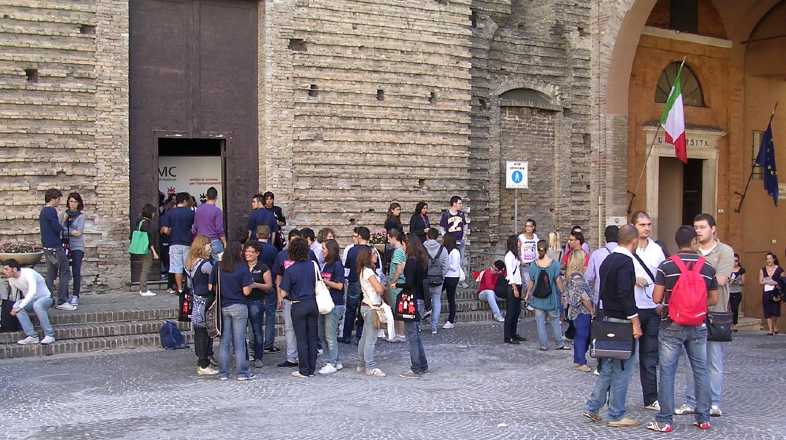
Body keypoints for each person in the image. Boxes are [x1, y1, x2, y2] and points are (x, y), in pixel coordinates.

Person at [647, 225, 718, 433]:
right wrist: (695, 305)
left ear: (675, 242)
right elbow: (713, 298)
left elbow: (656, 298)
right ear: (694, 242)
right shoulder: (707, 267)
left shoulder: (666, 266)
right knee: (701, 371)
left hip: (671, 325)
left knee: (667, 372)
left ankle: (665, 420)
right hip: (698, 325)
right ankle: (703, 418)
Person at [583, 224, 643, 428]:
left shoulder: (607, 259)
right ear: (634, 241)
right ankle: (616, 415)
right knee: (623, 368)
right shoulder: (626, 261)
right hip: (621, 322)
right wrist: (635, 321)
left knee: (606, 367)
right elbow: (625, 294)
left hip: (606, 317)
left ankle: (592, 407)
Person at [675, 213, 734, 417]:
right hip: (692, 311)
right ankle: (691, 401)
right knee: (692, 360)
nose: (698, 231)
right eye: (696, 227)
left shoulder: (725, 251)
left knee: (714, 360)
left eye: (702, 227)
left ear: (713, 229)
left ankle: (714, 402)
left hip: (715, 312)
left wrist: (692, 279)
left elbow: (721, 279)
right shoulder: (692, 252)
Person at [630, 210, 666, 411]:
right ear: (634, 226)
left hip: (652, 309)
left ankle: (650, 398)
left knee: (649, 356)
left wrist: (662, 302)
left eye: (649, 224)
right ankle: (617, 399)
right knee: (624, 357)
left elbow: (663, 277)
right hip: (631, 309)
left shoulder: (657, 250)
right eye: (642, 224)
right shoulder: (627, 249)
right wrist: (633, 280)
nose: (647, 228)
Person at [208, 241, 254, 381]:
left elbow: (211, 287)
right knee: (239, 342)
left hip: (223, 306)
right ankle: (242, 373)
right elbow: (246, 291)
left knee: (224, 341)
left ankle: (223, 373)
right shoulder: (242, 267)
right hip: (239, 305)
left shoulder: (218, 266)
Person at [278, 238, 319, 378]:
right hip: (313, 303)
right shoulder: (312, 266)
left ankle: (304, 370)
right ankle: (312, 368)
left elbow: (283, 293)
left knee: (301, 339)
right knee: (312, 337)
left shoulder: (290, 270)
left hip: (298, 304)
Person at [340, 226, 380, 344]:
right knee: (364, 309)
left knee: (350, 309)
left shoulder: (352, 250)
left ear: (360, 237)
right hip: (368, 283)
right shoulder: (372, 250)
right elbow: (377, 267)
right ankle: (360, 336)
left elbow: (346, 267)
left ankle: (347, 335)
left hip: (354, 282)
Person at [3, 259, 56, 345]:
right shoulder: (11, 279)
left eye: (6, 269)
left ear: (15, 269)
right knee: (17, 305)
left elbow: (32, 292)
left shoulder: (28, 273)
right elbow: (15, 295)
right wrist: (16, 307)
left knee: (37, 305)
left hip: (46, 298)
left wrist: (20, 307)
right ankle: (32, 336)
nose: (4, 271)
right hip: (30, 301)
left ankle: (50, 335)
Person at [272, 228, 303, 368]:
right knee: (290, 328)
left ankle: (304, 355)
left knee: (303, 328)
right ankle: (291, 357)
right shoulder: (282, 255)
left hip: (304, 298)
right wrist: (279, 295)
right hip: (288, 297)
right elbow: (278, 276)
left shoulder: (309, 255)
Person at [185, 236, 216, 375]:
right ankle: (204, 364)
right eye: (209, 245)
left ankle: (202, 361)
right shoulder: (205, 264)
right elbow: (215, 277)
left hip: (196, 301)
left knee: (199, 332)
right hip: (205, 301)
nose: (211, 247)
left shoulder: (191, 262)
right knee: (205, 333)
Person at [399, 234, 429, 378]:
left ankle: (416, 367)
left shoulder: (411, 262)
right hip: (420, 299)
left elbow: (409, 283)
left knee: (411, 335)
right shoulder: (421, 260)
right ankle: (422, 364)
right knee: (416, 335)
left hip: (412, 300)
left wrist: (397, 284)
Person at [39, 188, 74, 310]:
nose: (59, 202)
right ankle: (62, 301)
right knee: (65, 272)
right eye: (58, 199)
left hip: (47, 247)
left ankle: (47, 300)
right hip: (55, 247)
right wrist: (64, 222)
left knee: (51, 274)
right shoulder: (50, 211)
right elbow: (56, 228)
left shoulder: (43, 211)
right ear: (53, 199)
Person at [527, 239, 565, 351]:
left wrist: (528, 293)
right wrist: (563, 292)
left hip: (538, 299)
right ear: (548, 249)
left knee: (540, 323)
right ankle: (559, 343)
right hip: (551, 299)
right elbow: (558, 281)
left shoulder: (533, 265)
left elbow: (531, 281)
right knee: (555, 320)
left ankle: (543, 345)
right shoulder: (554, 264)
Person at [356, 246, 387, 377]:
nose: (376, 255)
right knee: (371, 339)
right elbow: (379, 289)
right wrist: (384, 286)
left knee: (364, 337)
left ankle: (361, 364)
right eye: (374, 253)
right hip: (372, 307)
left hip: (366, 306)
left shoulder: (364, 271)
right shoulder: (368, 271)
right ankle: (370, 366)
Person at [318, 239, 345, 374]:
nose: (322, 251)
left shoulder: (337, 265)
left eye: (324, 248)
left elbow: (340, 285)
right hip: (325, 303)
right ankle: (334, 360)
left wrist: (324, 282)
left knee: (330, 335)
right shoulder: (326, 265)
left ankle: (332, 362)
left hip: (334, 304)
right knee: (322, 334)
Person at [244, 243, 273, 368]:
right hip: (242, 301)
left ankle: (258, 357)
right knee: (241, 331)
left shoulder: (263, 267)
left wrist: (255, 285)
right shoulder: (241, 266)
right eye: (247, 251)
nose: (248, 254)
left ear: (257, 253)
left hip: (256, 301)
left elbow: (269, 286)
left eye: (251, 251)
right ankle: (245, 355)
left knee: (256, 330)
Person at [160, 192, 195, 295]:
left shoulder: (170, 212)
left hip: (174, 243)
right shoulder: (191, 213)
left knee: (177, 268)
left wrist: (171, 231)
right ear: (185, 201)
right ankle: (189, 288)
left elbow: (165, 230)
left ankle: (179, 289)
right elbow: (194, 228)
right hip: (188, 243)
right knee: (189, 267)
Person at [565, 250, 593, 372]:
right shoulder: (579, 279)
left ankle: (578, 359)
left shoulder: (571, 277)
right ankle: (581, 361)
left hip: (574, 311)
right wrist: (592, 310)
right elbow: (584, 298)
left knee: (579, 336)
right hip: (582, 311)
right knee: (583, 336)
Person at [586, 225, 619, 312]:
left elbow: (588, 277)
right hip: (620, 301)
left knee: (601, 324)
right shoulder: (626, 254)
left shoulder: (596, 254)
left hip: (601, 300)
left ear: (605, 238)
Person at [61, 192, 85, 308]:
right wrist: (70, 230)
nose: (72, 204)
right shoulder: (64, 214)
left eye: (75, 201)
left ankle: (75, 295)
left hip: (77, 247)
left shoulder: (81, 216)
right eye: (71, 201)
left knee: (76, 271)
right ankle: (64, 296)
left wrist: (67, 230)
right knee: (64, 271)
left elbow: (79, 232)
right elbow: (59, 229)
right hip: (65, 246)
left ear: (78, 203)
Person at [440, 196, 468, 286]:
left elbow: (465, 225)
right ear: (454, 204)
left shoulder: (461, 214)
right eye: (459, 203)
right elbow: (442, 228)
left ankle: (461, 280)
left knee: (461, 260)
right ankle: (447, 279)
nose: (461, 205)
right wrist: (445, 237)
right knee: (448, 260)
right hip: (449, 243)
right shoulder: (446, 215)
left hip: (460, 241)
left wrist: (464, 235)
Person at [134, 204, 160, 297]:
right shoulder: (147, 223)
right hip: (146, 249)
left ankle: (143, 288)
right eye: (153, 212)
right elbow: (149, 239)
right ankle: (143, 289)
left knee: (144, 269)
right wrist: (154, 252)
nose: (154, 214)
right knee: (146, 269)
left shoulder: (140, 221)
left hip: (141, 248)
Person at [193, 186, 226, 261]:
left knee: (202, 265)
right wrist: (224, 242)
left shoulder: (198, 209)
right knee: (219, 265)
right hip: (214, 241)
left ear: (206, 196)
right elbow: (219, 229)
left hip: (201, 242)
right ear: (216, 197)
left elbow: (195, 227)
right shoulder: (217, 211)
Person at [423, 227, 448, 324]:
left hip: (425, 279)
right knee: (437, 300)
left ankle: (419, 326)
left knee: (422, 300)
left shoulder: (422, 247)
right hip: (438, 279)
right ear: (437, 237)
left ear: (427, 236)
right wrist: (442, 275)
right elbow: (446, 265)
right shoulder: (443, 249)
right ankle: (434, 326)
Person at [503, 235, 525, 344]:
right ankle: (508, 336)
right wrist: (515, 288)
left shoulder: (515, 255)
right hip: (512, 285)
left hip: (518, 284)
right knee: (511, 312)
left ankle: (514, 333)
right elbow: (510, 273)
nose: (521, 243)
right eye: (519, 242)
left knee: (517, 311)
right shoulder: (509, 256)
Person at [385, 228, 406, 341]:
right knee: (397, 309)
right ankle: (399, 334)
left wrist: (392, 282)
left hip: (396, 285)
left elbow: (398, 269)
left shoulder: (398, 251)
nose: (388, 241)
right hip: (398, 284)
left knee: (398, 310)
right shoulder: (401, 250)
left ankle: (400, 334)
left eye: (389, 238)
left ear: (393, 238)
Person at [440, 234, 461, 330]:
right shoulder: (447, 251)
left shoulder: (455, 252)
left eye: (443, 239)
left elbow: (455, 267)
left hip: (452, 277)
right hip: (446, 276)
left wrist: (445, 265)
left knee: (451, 298)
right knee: (437, 292)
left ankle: (451, 320)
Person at [760, 252, 782, 335]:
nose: (768, 260)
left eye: (770, 258)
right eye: (767, 259)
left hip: (776, 292)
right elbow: (760, 281)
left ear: (774, 259)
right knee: (767, 311)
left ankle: (775, 326)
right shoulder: (762, 269)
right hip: (766, 292)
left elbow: (782, 281)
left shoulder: (779, 269)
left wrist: (776, 283)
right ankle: (770, 329)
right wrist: (767, 281)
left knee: (775, 311)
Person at [518, 219, 539, 287]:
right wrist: (521, 261)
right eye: (526, 226)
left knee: (535, 283)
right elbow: (518, 250)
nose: (527, 228)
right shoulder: (521, 237)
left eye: (529, 226)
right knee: (527, 284)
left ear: (533, 227)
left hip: (534, 264)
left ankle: (530, 297)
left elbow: (537, 249)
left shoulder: (535, 236)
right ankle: (528, 297)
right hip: (525, 264)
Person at [729, 253, 745, 331]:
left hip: (737, 292)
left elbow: (743, 282)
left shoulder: (741, 270)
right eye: (733, 260)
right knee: (728, 308)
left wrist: (737, 282)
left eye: (736, 261)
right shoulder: (728, 269)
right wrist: (729, 281)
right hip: (728, 291)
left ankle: (734, 325)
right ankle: (729, 324)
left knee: (735, 308)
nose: (735, 262)